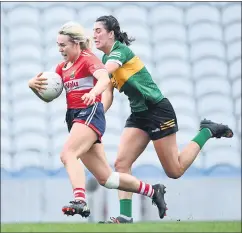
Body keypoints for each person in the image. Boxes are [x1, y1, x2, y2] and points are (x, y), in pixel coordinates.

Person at [93, 15, 234, 223]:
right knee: (121, 164)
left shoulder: (120, 51)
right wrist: (96, 114)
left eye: (98, 31)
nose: (94, 35)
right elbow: (108, 93)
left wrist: (88, 76)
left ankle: (207, 131)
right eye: (93, 30)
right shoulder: (105, 59)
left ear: (111, 34)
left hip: (158, 111)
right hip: (139, 114)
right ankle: (125, 217)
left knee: (174, 171)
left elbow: (106, 73)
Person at [28, 21, 168, 219]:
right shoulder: (62, 67)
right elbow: (48, 95)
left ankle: (80, 200)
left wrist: (94, 93)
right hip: (75, 118)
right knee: (107, 178)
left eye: (63, 45)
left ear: (76, 43)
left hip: (90, 113)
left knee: (68, 154)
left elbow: (103, 78)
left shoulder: (88, 59)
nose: (60, 49)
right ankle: (153, 191)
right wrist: (32, 85)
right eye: (58, 45)